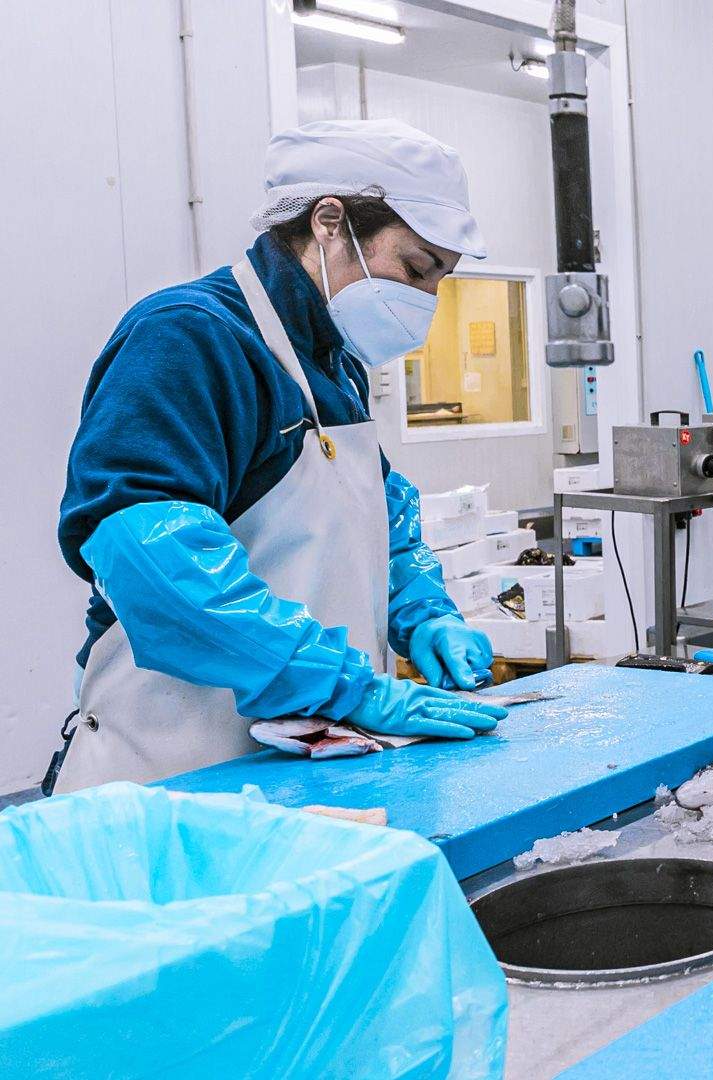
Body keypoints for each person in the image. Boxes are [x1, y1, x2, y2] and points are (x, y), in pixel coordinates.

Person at [52, 119, 510, 792]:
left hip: (311, 759)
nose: (424, 301)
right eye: (414, 269)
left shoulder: (335, 366)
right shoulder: (189, 339)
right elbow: (152, 560)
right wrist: (339, 683)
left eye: (440, 279)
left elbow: (380, 523)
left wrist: (425, 613)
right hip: (174, 771)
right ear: (329, 221)